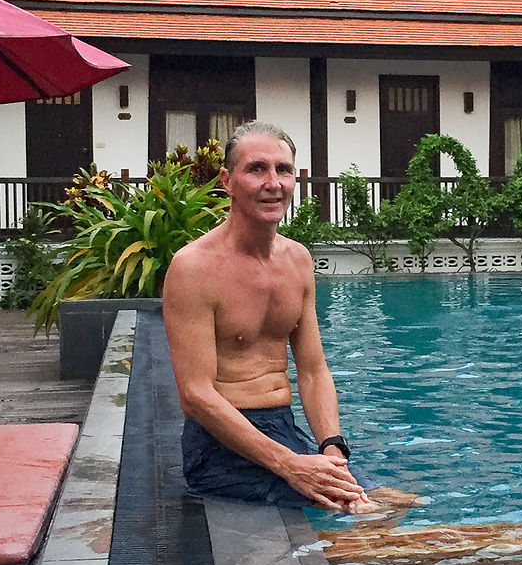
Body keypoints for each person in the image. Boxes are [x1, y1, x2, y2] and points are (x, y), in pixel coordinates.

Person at [163, 121, 412, 513]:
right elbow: (196, 396)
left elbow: (313, 371)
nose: (273, 183)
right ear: (227, 181)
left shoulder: (297, 260)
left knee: (400, 502)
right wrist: (289, 465)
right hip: (220, 449)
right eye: (256, 169)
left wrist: (331, 446)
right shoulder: (193, 268)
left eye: (284, 170)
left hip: (285, 430)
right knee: (365, 510)